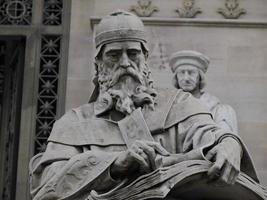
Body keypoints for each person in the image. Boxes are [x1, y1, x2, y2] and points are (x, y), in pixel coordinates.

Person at [29, 11, 258, 200]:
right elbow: (47, 186)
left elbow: (210, 134)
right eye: (114, 55)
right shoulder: (73, 123)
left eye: (133, 53)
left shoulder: (179, 103)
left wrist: (229, 143)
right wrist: (115, 164)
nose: (125, 63)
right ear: (98, 64)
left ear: (145, 58)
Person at [169, 50, 238, 134]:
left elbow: (226, 141)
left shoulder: (218, 110)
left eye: (191, 73)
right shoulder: (168, 108)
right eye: (181, 73)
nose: (186, 78)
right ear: (176, 77)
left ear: (200, 77)